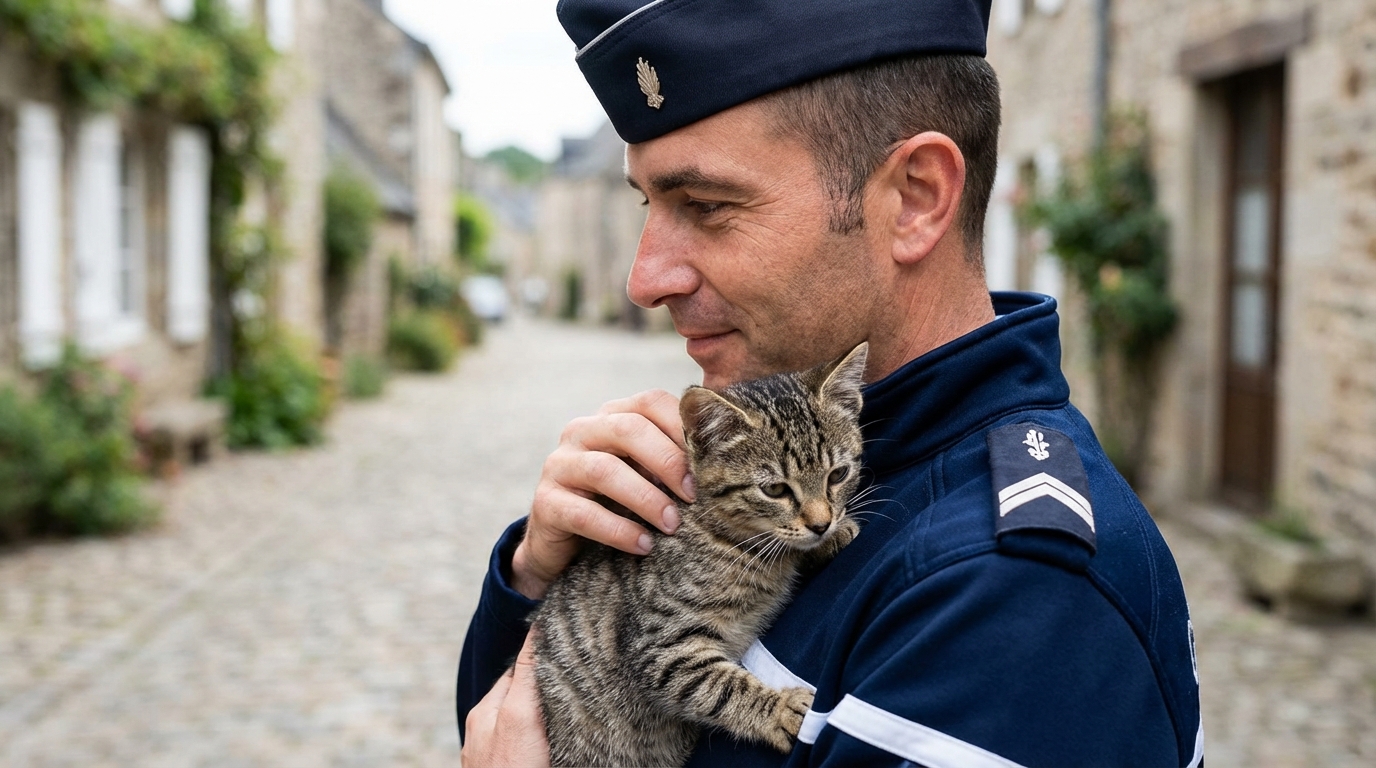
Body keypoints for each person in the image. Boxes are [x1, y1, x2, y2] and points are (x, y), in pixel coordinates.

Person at [458, 0, 1203, 765]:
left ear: (916, 197)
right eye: (649, 204)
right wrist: (535, 579)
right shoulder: (846, 465)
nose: (644, 279)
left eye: (707, 206)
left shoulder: (1018, 595)